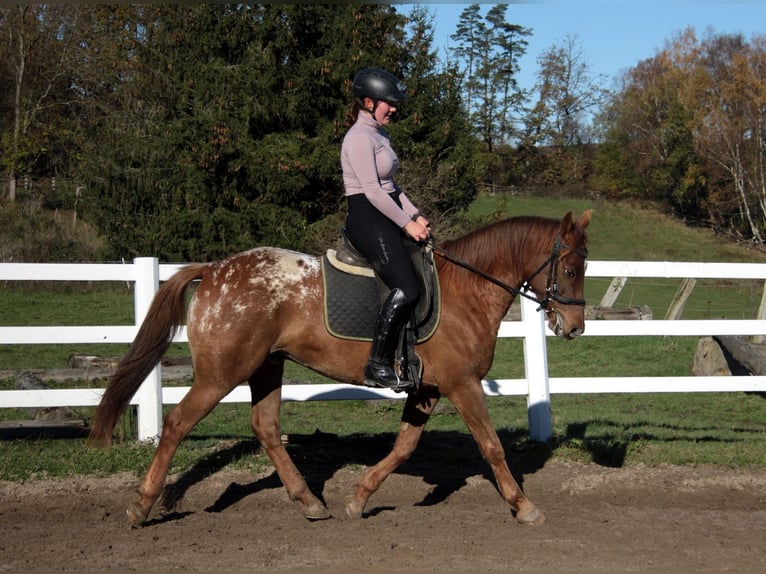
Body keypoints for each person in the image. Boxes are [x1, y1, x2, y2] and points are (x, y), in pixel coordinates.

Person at [341, 67, 431, 391]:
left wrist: (416, 215)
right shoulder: (358, 138)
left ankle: (410, 355)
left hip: (385, 210)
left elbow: (391, 187)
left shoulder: (380, 134)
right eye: (388, 103)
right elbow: (373, 190)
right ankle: (377, 364)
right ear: (368, 101)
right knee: (407, 287)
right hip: (366, 216)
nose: (394, 108)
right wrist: (405, 222)